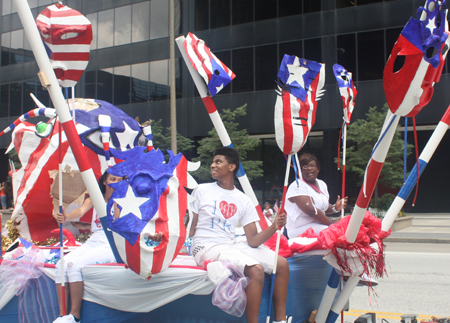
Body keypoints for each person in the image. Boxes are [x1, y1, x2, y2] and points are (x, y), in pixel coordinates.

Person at [189, 147, 289, 323]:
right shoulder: (201, 190)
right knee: (256, 271)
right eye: (213, 162)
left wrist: (274, 226)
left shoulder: (243, 199)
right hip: (205, 246)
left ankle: (280, 320)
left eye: (218, 162)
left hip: (230, 244)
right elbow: (191, 226)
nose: (212, 165)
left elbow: (253, 240)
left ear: (232, 166)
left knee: (281, 264)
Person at [53, 171, 123, 323]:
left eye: (119, 180)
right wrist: (66, 217)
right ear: (104, 181)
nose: (115, 182)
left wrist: (117, 203)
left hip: (111, 243)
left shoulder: (121, 200)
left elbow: (118, 225)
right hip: (94, 240)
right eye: (112, 179)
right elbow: (79, 211)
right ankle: (62, 315)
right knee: (61, 264)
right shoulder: (94, 199)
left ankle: (75, 316)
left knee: (74, 265)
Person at [284, 153, 348, 239]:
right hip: (298, 229)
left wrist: (335, 208)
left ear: (318, 169)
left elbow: (323, 208)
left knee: (347, 227)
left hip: (318, 224)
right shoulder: (297, 185)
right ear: (299, 171)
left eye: (312, 165)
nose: (309, 168)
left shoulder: (322, 184)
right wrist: (332, 222)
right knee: (336, 232)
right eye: (305, 167)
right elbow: (311, 211)